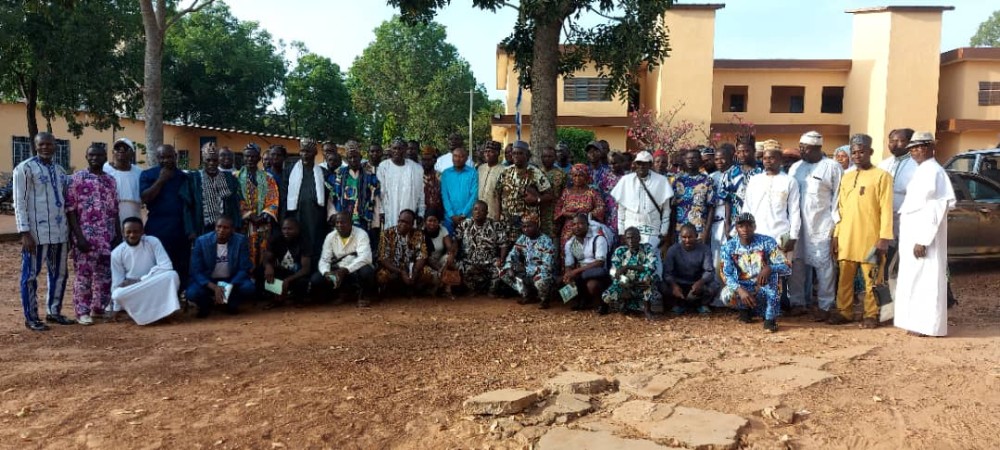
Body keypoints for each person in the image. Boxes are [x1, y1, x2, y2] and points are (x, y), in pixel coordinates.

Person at [894, 132, 955, 337]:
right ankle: (916, 323)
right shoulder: (922, 170)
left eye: (919, 147)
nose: (915, 152)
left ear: (930, 148)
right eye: (912, 148)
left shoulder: (934, 171)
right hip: (913, 235)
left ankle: (927, 326)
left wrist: (923, 239)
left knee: (926, 280)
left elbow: (936, 208)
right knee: (913, 279)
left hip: (925, 238)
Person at [830, 134, 894, 328]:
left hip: (871, 238)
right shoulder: (847, 177)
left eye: (861, 152)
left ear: (870, 152)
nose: (857, 155)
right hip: (846, 237)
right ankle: (844, 311)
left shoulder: (882, 176)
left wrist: (884, 238)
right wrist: (836, 235)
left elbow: (886, 208)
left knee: (872, 280)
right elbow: (839, 209)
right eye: (854, 152)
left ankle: (872, 315)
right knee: (844, 279)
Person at [14, 132, 74, 330]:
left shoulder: (59, 170)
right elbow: (19, 202)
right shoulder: (25, 168)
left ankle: (54, 312)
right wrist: (24, 232)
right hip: (36, 234)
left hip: (59, 232)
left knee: (59, 274)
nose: (45, 147)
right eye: (42, 144)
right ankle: (31, 317)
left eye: (49, 144)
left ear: (55, 146)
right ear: (35, 145)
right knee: (30, 276)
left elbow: (66, 202)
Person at [786, 131, 842, 321]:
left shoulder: (832, 167)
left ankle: (825, 306)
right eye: (800, 147)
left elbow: (837, 198)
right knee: (796, 264)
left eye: (805, 148)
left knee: (823, 266)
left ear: (817, 148)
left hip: (821, 225)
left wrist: (835, 227)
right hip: (797, 226)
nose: (801, 151)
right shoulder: (795, 167)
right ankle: (798, 302)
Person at [67, 145, 120, 325]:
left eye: (99, 155)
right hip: (85, 236)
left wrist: (118, 235)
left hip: (107, 236)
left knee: (105, 275)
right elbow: (71, 210)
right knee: (84, 275)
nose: (95, 158)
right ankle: (82, 311)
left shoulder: (111, 181)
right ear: (86, 156)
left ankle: (99, 308)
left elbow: (115, 210)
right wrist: (78, 237)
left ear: (105, 157)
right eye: (91, 155)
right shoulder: (77, 178)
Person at [720, 213, 791, 332]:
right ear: (736, 228)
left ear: (755, 227)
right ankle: (745, 310)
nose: (745, 229)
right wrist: (740, 290)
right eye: (741, 226)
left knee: (774, 278)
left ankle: (770, 319)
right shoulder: (729, 247)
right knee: (726, 295)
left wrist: (769, 268)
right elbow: (726, 274)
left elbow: (787, 266)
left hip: (763, 285)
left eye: (749, 225)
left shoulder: (767, 242)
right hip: (744, 287)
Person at [110, 217, 182, 325]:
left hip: (153, 282)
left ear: (142, 232)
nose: (132, 235)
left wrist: (141, 279)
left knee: (172, 275)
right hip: (135, 288)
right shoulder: (117, 253)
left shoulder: (152, 242)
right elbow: (117, 281)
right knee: (117, 294)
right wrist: (116, 308)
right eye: (128, 232)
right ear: (123, 233)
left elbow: (166, 266)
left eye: (136, 232)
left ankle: (167, 314)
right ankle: (144, 316)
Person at [140, 144, 192, 289]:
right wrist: (161, 180)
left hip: (180, 229)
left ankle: (177, 297)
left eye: (169, 156)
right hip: (157, 228)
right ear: (158, 158)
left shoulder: (184, 177)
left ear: (175, 157)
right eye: (162, 157)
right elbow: (145, 198)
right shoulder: (148, 175)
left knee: (181, 265)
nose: (166, 160)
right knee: (158, 264)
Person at [186, 216, 254, 318]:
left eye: (226, 228)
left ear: (232, 230)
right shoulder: (202, 241)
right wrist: (214, 287)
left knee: (248, 288)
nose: (221, 230)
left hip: (231, 280)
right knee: (192, 293)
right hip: (209, 280)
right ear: (215, 227)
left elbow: (244, 268)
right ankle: (206, 305)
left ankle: (230, 303)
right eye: (219, 227)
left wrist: (227, 286)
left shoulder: (240, 241)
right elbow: (196, 270)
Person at [609, 151, 673, 250]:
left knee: (649, 258)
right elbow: (621, 209)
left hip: (652, 228)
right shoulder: (626, 180)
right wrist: (621, 232)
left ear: (650, 164)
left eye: (645, 163)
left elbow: (666, 210)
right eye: (639, 163)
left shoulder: (662, 181)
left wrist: (664, 231)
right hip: (630, 228)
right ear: (635, 164)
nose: (641, 166)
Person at [741, 147, 800, 253]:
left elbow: (794, 211)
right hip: (756, 234)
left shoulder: (790, 181)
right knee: (757, 268)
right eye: (765, 158)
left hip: (780, 235)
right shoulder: (755, 180)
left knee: (780, 268)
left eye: (772, 158)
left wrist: (793, 236)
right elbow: (747, 208)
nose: (768, 161)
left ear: (780, 160)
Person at [328, 141, 381, 254]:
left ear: (360, 157)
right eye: (350, 157)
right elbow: (331, 198)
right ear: (346, 159)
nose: (353, 160)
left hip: (364, 220)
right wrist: (332, 215)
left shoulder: (370, 175)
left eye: (355, 157)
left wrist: (375, 222)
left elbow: (376, 199)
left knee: (361, 250)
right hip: (343, 220)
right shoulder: (339, 174)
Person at [495, 141, 553, 243]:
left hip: (527, 223)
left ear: (527, 155)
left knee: (525, 250)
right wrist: (498, 216)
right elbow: (497, 194)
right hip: (507, 221)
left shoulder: (535, 173)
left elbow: (549, 195)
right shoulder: (505, 172)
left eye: (520, 153)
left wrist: (537, 199)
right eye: (514, 153)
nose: (516, 156)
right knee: (507, 249)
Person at [314, 211, 376, 307]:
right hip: (339, 268)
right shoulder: (330, 236)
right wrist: (326, 273)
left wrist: (345, 270)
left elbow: (365, 258)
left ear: (351, 223)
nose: (339, 225)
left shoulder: (361, 234)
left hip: (356, 268)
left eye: (343, 222)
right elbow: (324, 259)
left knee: (367, 271)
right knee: (317, 279)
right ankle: (340, 295)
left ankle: (365, 296)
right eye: (337, 223)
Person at [236, 144, 280, 271]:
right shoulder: (236, 177)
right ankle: (246, 281)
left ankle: (261, 281)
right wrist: (250, 215)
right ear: (243, 158)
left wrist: (265, 214)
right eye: (247, 157)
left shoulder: (268, 178)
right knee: (244, 252)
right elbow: (236, 199)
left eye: (253, 157)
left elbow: (273, 197)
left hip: (263, 223)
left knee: (264, 253)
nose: (250, 159)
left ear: (259, 158)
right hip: (245, 224)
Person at [181, 145, 243, 236]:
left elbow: (235, 204)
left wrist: (236, 226)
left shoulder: (229, 178)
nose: (211, 163)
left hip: (225, 229)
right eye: (208, 160)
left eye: (215, 160)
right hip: (202, 228)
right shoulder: (194, 179)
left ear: (219, 160)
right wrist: (190, 230)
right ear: (203, 160)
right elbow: (187, 207)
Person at [603, 227, 661, 318]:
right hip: (626, 284)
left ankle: (647, 309)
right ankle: (624, 303)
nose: (631, 241)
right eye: (628, 238)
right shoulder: (620, 251)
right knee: (606, 296)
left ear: (639, 238)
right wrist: (627, 283)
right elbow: (615, 272)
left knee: (646, 278)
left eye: (634, 238)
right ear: (625, 239)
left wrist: (628, 267)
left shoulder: (647, 249)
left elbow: (651, 268)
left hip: (641, 284)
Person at [498, 212, 556, 305]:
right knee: (503, 272)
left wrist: (530, 272)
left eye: (529, 226)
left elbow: (548, 265)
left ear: (537, 225)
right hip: (526, 271)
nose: (526, 229)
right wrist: (509, 267)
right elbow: (512, 254)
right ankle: (527, 295)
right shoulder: (523, 238)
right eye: (524, 226)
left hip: (541, 272)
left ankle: (544, 299)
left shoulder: (546, 241)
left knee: (540, 280)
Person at [286, 139, 328, 263]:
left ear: (315, 153)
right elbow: (284, 196)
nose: (304, 154)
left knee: (314, 244)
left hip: (315, 217)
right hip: (296, 215)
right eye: (302, 151)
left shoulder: (323, 173)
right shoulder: (289, 171)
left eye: (308, 151)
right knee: (297, 242)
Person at [878, 128, 919, 253]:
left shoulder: (917, 165)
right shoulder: (883, 164)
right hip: (885, 219)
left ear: (910, 143)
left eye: (901, 141)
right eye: (892, 141)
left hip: (906, 219)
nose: (895, 144)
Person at [455, 201, 509, 295]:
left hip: (490, 261)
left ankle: (492, 292)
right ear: (472, 211)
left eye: (482, 210)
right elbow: (456, 241)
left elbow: (504, 244)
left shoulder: (495, 225)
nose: (478, 212)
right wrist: (453, 254)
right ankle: (471, 291)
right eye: (475, 209)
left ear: (487, 213)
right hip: (469, 261)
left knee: (501, 268)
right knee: (458, 266)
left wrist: (501, 259)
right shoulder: (465, 224)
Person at [376, 209, 436, 294]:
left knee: (427, 272)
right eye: (401, 221)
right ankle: (389, 291)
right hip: (393, 269)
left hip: (411, 270)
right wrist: (400, 272)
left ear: (412, 224)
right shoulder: (387, 234)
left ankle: (417, 291)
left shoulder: (419, 234)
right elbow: (382, 258)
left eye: (406, 223)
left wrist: (414, 271)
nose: (403, 225)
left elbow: (422, 256)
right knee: (382, 275)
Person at [663, 224, 718, 315]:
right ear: (680, 237)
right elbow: (667, 273)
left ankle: (702, 305)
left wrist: (700, 282)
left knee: (715, 285)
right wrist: (674, 285)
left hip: (697, 285)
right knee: (662, 286)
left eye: (690, 237)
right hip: (679, 284)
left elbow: (709, 271)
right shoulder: (673, 250)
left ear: (696, 236)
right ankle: (679, 305)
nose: (687, 240)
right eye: (684, 237)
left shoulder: (704, 249)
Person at [561, 213, 610, 311]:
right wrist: (568, 274)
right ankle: (582, 301)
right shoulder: (571, 243)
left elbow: (599, 262)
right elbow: (569, 264)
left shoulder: (598, 239)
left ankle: (601, 303)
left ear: (588, 225)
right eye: (574, 224)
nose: (577, 227)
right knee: (566, 281)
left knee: (592, 285)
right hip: (581, 273)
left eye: (581, 224)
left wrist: (575, 272)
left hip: (597, 273)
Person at [262, 217, 312, 308]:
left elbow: (306, 269)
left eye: (290, 229)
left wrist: (288, 280)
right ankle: (273, 297)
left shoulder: (304, 241)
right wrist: (268, 266)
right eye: (284, 229)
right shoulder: (276, 239)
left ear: (297, 229)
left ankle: (295, 299)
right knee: (261, 271)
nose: (286, 231)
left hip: (296, 274)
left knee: (303, 282)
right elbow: (266, 259)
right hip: (282, 272)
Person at [555, 164, 606, 251]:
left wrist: (587, 215)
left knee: (586, 253)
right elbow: (558, 208)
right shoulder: (566, 192)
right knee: (567, 251)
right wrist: (569, 214)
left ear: (586, 176)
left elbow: (601, 207)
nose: (577, 178)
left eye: (581, 175)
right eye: (575, 175)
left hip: (586, 227)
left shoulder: (592, 192)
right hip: (569, 228)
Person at [671, 148, 717, 244]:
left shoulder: (707, 181)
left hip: (699, 231)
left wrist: (706, 232)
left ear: (700, 161)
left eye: (694, 158)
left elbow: (711, 208)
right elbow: (673, 208)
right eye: (688, 158)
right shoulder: (678, 181)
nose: (690, 160)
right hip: (680, 230)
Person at [377, 138, 425, 228]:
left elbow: (421, 193)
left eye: (400, 148)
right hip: (390, 212)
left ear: (405, 149)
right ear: (391, 149)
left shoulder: (416, 168)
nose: (397, 151)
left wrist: (421, 213)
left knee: (409, 238)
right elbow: (380, 192)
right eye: (394, 148)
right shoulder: (384, 166)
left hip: (409, 210)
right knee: (391, 236)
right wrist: (381, 211)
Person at [720, 136, 763, 234]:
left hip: (759, 221)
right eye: (739, 152)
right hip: (737, 223)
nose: (742, 155)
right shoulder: (730, 173)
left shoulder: (762, 172)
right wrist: (727, 224)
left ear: (754, 151)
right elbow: (727, 200)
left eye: (746, 151)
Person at [104, 138, 143, 225]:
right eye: (117, 148)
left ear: (132, 153)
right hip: (109, 215)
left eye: (125, 148)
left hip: (133, 214)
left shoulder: (139, 172)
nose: (121, 151)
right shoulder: (104, 170)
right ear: (112, 152)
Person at [440, 147, 479, 233]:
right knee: (449, 244)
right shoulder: (446, 174)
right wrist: (451, 215)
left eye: (461, 156)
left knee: (466, 245)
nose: (458, 159)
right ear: (452, 158)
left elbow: (474, 195)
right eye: (455, 156)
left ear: (466, 158)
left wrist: (463, 214)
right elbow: (444, 196)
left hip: (467, 218)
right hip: (449, 219)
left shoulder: (472, 173)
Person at [709, 144, 735, 269]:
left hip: (730, 222)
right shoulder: (712, 177)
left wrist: (728, 223)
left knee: (729, 257)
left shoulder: (735, 175)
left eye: (722, 158)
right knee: (715, 258)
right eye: (716, 159)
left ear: (730, 158)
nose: (719, 162)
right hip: (714, 222)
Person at [422, 209, 457, 296]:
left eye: (435, 221)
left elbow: (449, 246)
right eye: (430, 221)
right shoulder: (421, 233)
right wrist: (439, 269)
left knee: (448, 259)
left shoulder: (443, 230)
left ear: (438, 222)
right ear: (425, 222)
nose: (432, 223)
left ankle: (447, 290)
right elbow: (424, 256)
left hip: (439, 261)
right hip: (426, 262)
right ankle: (432, 289)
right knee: (431, 274)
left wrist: (451, 254)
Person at [540, 146, 567, 239]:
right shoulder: (536, 173)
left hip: (554, 218)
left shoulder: (561, 175)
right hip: (538, 217)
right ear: (541, 157)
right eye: (545, 156)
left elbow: (565, 198)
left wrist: (560, 218)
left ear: (555, 158)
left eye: (550, 156)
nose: (547, 159)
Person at [599, 152, 628, 235]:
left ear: (622, 162)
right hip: (609, 214)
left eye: (615, 163)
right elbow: (601, 196)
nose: (612, 166)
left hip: (625, 214)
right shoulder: (605, 178)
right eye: (610, 164)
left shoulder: (628, 178)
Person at [477, 141, 506, 220]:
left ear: (497, 153)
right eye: (486, 152)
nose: (487, 154)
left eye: (490, 152)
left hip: (494, 214)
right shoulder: (480, 169)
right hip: (478, 215)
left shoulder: (504, 170)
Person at [265, 144, 289, 226]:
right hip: (267, 217)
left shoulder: (289, 175)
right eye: (272, 154)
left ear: (284, 157)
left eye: (279, 155)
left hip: (285, 215)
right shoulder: (263, 175)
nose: (275, 157)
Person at [420, 146, 445, 215]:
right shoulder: (417, 175)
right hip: (420, 213)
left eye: (429, 160)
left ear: (434, 160)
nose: (426, 162)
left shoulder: (440, 176)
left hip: (437, 213)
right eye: (424, 160)